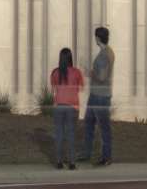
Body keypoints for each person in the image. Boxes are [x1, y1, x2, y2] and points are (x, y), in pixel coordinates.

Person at [78, 26, 114, 166]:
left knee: (104, 127)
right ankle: (87, 153)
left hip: (101, 97)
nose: (95, 39)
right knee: (89, 124)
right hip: (95, 95)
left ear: (98, 38)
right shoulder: (107, 52)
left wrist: (88, 71)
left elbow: (102, 76)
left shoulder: (105, 55)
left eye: (95, 37)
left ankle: (106, 157)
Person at [49, 47, 83, 169]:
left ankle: (59, 162)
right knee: (71, 134)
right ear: (70, 58)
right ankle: (72, 163)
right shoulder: (76, 72)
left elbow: (53, 89)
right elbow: (80, 88)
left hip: (58, 106)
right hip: (72, 107)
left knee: (59, 134)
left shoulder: (55, 73)